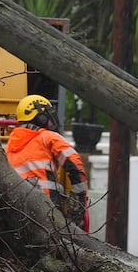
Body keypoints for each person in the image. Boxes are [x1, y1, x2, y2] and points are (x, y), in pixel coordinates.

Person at [5, 94, 89, 231]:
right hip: (45, 210)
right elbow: (75, 165)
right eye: (48, 116)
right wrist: (78, 205)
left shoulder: (9, 144)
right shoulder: (47, 137)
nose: (51, 121)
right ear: (41, 118)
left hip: (15, 209)